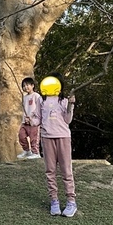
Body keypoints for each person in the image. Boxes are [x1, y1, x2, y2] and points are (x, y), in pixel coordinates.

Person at [39, 75, 77, 217]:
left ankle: (71, 201)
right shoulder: (41, 101)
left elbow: (67, 120)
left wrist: (71, 105)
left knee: (66, 171)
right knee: (50, 171)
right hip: (47, 138)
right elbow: (37, 118)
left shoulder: (64, 101)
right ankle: (54, 201)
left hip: (63, 137)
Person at [17, 76, 43, 160]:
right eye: (24, 86)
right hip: (25, 121)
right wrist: (26, 118)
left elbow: (38, 108)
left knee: (33, 138)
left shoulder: (37, 96)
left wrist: (31, 117)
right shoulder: (24, 98)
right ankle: (27, 151)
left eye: (27, 85)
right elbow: (25, 109)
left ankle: (36, 153)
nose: (25, 87)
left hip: (34, 122)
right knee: (21, 135)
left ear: (32, 85)